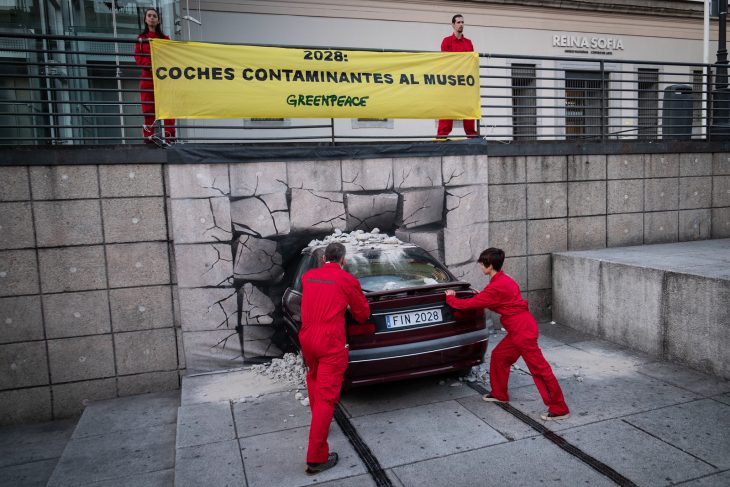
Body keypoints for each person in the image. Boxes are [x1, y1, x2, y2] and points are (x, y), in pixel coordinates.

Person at [445, 248, 570, 421]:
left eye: (481, 264)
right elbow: (500, 300)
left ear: (489, 265)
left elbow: (470, 304)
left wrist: (451, 298)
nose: (480, 267)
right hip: (520, 328)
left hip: (522, 331)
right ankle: (500, 394)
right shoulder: (503, 279)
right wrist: (482, 296)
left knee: (539, 369)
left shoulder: (496, 285)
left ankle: (559, 408)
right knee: (499, 356)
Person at [299, 242, 370, 475]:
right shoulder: (346, 279)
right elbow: (362, 314)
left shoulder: (308, 277)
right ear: (343, 260)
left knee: (313, 379)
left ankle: (320, 425)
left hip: (308, 338)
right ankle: (316, 458)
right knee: (327, 397)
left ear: (323, 259)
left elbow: (317, 298)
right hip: (331, 342)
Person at [134, 8, 176, 143]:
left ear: (158, 21)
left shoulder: (165, 39)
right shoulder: (141, 38)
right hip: (147, 79)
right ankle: (149, 139)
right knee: (148, 110)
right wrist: (150, 65)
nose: (152, 18)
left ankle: (170, 138)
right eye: (149, 16)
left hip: (163, 79)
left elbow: (170, 57)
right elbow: (138, 58)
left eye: (154, 16)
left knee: (167, 109)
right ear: (145, 19)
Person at [437, 14, 478, 139]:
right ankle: (442, 135)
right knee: (447, 106)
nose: (461, 24)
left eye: (462, 22)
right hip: (450, 80)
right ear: (453, 25)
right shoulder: (446, 41)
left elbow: (470, 61)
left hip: (464, 80)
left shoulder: (468, 43)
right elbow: (446, 61)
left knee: (468, 106)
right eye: (458, 22)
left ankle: (471, 134)